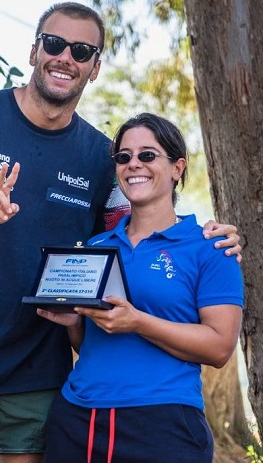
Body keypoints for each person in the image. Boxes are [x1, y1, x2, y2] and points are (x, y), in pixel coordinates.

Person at [0, 3, 242, 463]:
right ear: (34, 50)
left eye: (81, 50)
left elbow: (137, 236)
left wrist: (217, 235)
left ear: (94, 68)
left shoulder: (101, 156)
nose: (65, 57)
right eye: (54, 44)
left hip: (43, 368)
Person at [38, 113, 244, 463]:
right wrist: (74, 323)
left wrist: (138, 322)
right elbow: (92, 341)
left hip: (162, 424)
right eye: (124, 157)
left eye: (148, 155)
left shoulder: (211, 247)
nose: (134, 164)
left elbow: (220, 348)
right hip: (77, 420)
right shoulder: (97, 246)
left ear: (177, 168)